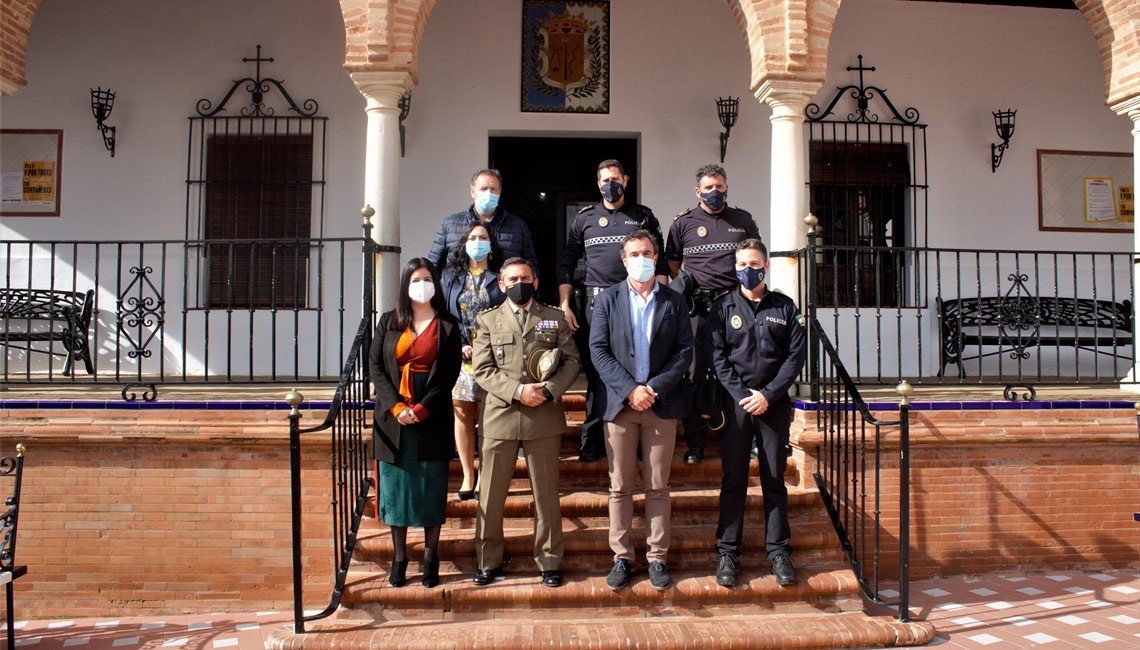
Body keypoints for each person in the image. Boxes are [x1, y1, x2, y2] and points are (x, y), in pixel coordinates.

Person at [589, 230, 693, 592]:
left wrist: (654, 388)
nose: (641, 258)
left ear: (656, 255)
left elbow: (684, 352)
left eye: (647, 252)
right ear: (623, 259)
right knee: (620, 487)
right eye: (634, 253)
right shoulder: (608, 300)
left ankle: (656, 558)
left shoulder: (674, 301)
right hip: (620, 406)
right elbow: (598, 350)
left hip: (661, 404)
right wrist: (630, 389)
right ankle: (621, 556)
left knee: (657, 486)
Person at [471, 257, 581, 588]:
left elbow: (572, 361)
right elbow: (482, 369)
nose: (519, 282)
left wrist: (548, 391)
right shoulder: (487, 320)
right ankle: (487, 561)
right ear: (502, 284)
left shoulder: (554, 318)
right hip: (500, 417)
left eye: (525, 277)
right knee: (490, 495)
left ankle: (549, 560)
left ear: (535, 282)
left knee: (546, 495)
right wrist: (518, 391)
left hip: (542, 416)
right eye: (512, 278)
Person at [708, 239, 806, 589]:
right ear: (735, 268)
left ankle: (778, 551)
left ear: (765, 266)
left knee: (773, 479)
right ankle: (727, 552)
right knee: (733, 479)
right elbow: (718, 357)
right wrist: (743, 395)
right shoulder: (722, 308)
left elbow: (795, 357)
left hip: (773, 405)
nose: (748, 270)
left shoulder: (784, 306)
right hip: (736, 406)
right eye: (742, 264)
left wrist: (767, 395)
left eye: (754, 263)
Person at [559, 159, 669, 463]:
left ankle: (635, 437)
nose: (611, 184)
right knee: (597, 374)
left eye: (616, 179)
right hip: (596, 303)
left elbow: (658, 263)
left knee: (636, 369)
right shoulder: (584, 219)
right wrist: (566, 303)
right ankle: (591, 439)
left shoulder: (643, 216)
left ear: (626, 180)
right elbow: (568, 264)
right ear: (598, 184)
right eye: (605, 180)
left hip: (636, 302)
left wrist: (658, 299)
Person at [369, 258, 463, 589]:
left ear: (435, 283)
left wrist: (422, 409)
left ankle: (430, 556)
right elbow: (376, 368)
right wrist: (396, 407)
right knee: (396, 492)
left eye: (426, 278)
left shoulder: (449, 325)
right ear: (405, 285)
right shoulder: (389, 322)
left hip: (431, 416)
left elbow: (448, 375)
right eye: (414, 279)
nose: (421, 284)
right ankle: (399, 558)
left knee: (429, 489)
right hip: (393, 419)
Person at [665, 164, 761, 465]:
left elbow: (753, 256)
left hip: (734, 306)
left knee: (740, 370)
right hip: (698, 309)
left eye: (719, 187)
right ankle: (696, 442)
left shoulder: (742, 220)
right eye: (708, 188)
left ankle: (741, 438)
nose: (714, 192)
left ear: (727, 188)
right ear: (698, 191)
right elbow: (673, 263)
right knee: (694, 374)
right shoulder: (683, 223)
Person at [440, 222, 506, 501]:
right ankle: (468, 474)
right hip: (463, 356)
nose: (477, 241)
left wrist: (488, 346)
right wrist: (460, 345)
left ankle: (485, 476)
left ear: (491, 244)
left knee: (489, 417)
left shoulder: (500, 277)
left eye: (483, 237)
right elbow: (443, 314)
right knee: (462, 412)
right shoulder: (450, 278)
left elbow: (507, 314)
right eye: (473, 237)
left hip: (493, 357)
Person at [428, 168, 538, 272]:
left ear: (499, 192)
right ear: (472, 192)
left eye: (493, 189)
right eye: (483, 189)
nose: (488, 193)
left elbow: (530, 268)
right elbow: (433, 266)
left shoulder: (518, 226)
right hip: (460, 290)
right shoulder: (450, 224)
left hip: (501, 291)